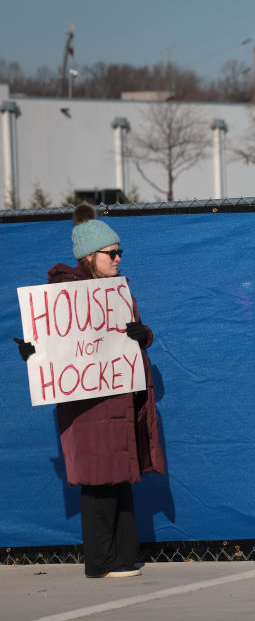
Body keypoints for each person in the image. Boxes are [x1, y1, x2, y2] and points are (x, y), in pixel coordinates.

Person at [14, 204, 165, 579]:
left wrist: (141, 335)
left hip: (120, 397)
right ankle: (102, 560)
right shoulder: (62, 294)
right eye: (111, 253)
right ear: (89, 256)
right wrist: (32, 351)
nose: (118, 259)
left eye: (119, 253)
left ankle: (126, 555)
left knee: (122, 475)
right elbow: (51, 344)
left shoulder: (117, 293)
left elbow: (141, 332)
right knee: (99, 478)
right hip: (87, 406)